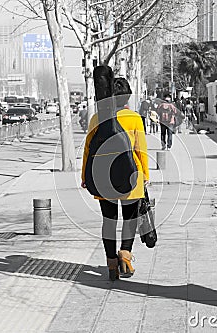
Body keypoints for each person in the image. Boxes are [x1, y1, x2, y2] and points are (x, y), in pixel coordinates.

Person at [81, 78, 149, 281]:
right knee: (130, 219)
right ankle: (125, 257)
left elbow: (87, 150)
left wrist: (85, 176)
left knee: (109, 221)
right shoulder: (134, 118)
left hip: (103, 178)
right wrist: (145, 175)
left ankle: (111, 264)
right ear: (127, 97)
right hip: (131, 177)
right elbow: (141, 150)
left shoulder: (97, 118)